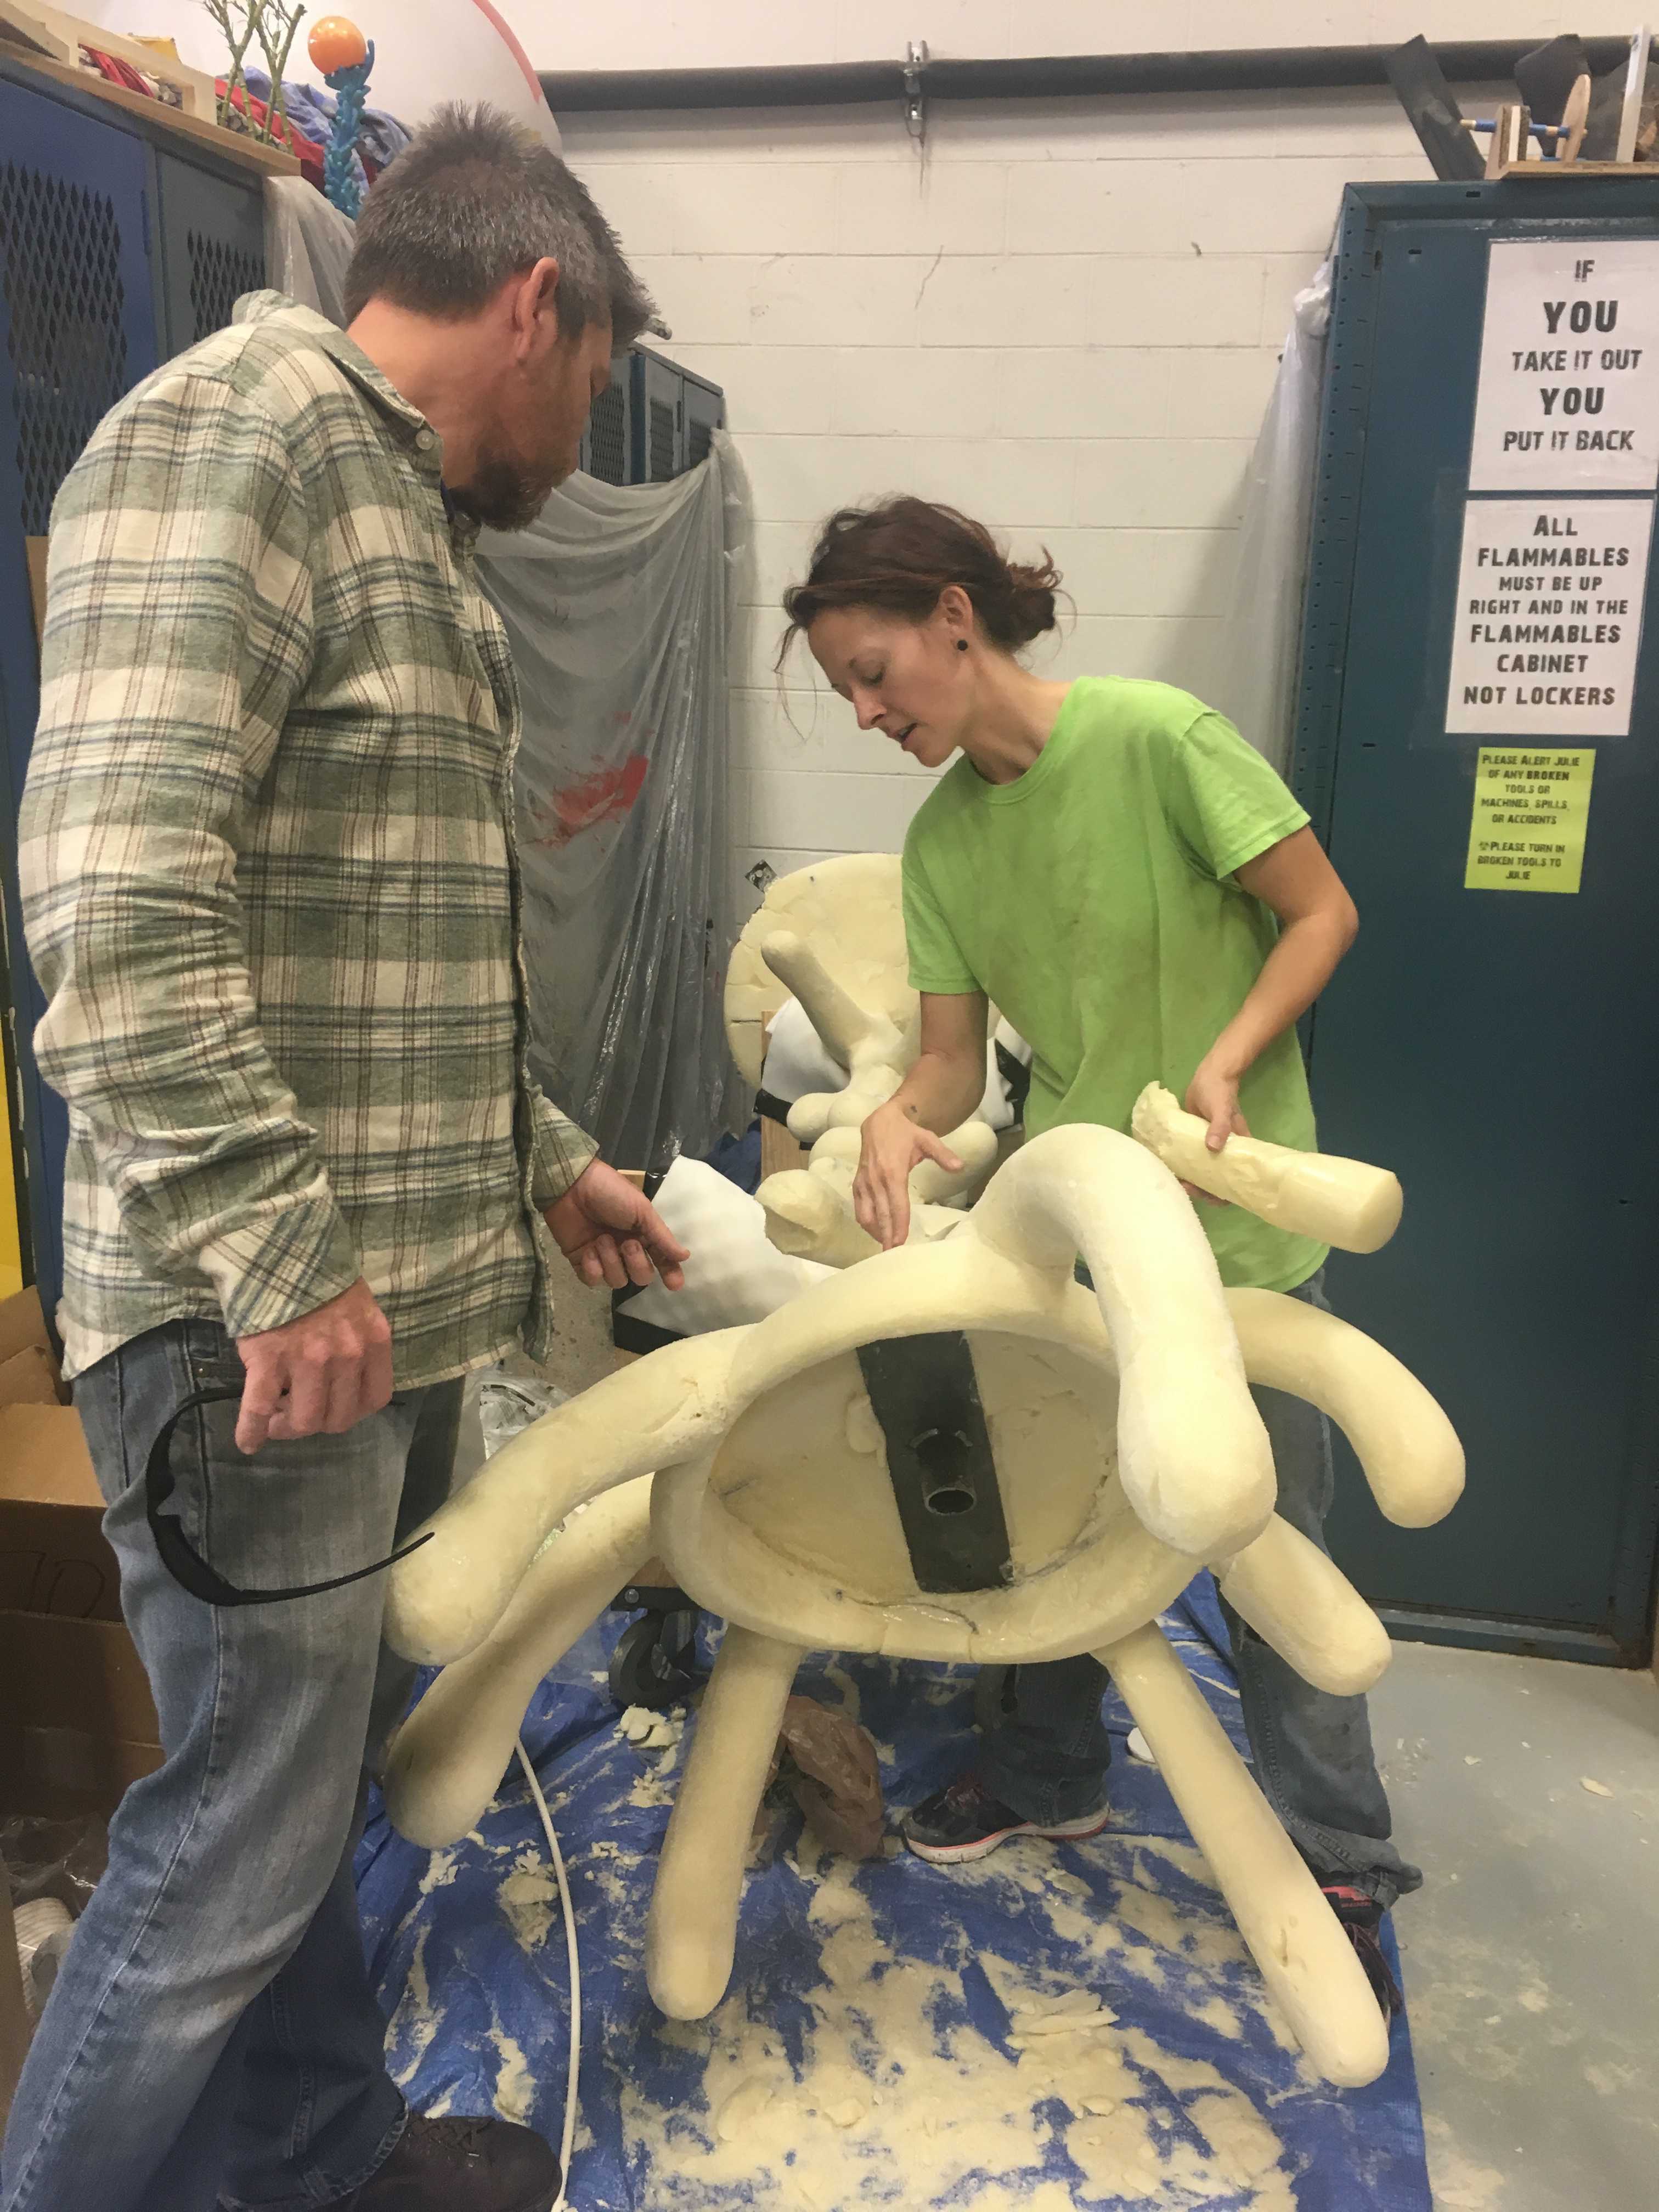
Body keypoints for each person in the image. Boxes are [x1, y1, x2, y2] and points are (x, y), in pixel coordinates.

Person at [1, 106, 685, 2212]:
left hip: (359, 1321)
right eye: (591, 396)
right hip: (258, 1338)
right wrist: (289, 1263)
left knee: (289, 1819)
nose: (581, 450)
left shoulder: (415, 535)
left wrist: (546, 1156)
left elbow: (397, 952)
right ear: (535, 303)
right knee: (221, 1857)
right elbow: (112, 911)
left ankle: (311, 2160)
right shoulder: (242, 439)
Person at [779, 496, 1417, 2012]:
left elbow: (1321, 911)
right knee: (1052, 1521)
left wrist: (1231, 1058)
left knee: (1269, 1554)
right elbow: (948, 1065)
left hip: (1233, 1237)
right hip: (1074, 1240)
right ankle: (1049, 1769)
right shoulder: (941, 842)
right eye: (846, 696)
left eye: (876, 674)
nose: (869, 715)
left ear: (954, 616)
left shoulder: (1158, 740)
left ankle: (1338, 1856)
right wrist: (896, 1126)